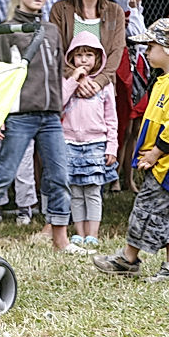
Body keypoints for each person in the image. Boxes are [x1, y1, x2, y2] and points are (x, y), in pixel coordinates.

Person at [0, 0, 79, 254]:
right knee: (3, 174)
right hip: (20, 116)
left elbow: (58, 70)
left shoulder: (51, 30)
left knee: (59, 174)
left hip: (50, 116)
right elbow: (0, 74)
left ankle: (60, 238)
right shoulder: (6, 30)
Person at [93, 19, 169, 281]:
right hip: (166, 163)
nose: (147, 52)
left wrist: (155, 153)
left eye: (152, 46)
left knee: (146, 207)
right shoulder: (166, 80)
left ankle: (128, 259)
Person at [61, 33, 117, 250]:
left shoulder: (104, 85)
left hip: (96, 143)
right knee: (75, 190)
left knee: (93, 190)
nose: (84, 60)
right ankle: (79, 232)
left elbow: (112, 119)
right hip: (70, 143)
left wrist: (112, 146)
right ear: (71, 58)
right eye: (79, 56)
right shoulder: (68, 82)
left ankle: (92, 234)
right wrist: (74, 79)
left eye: (89, 55)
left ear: (97, 58)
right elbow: (59, 102)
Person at [108, 0, 149, 191]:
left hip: (139, 70)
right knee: (121, 126)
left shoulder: (137, 15)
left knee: (135, 128)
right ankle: (113, 175)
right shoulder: (117, 14)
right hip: (123, 70)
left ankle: (128, 176)